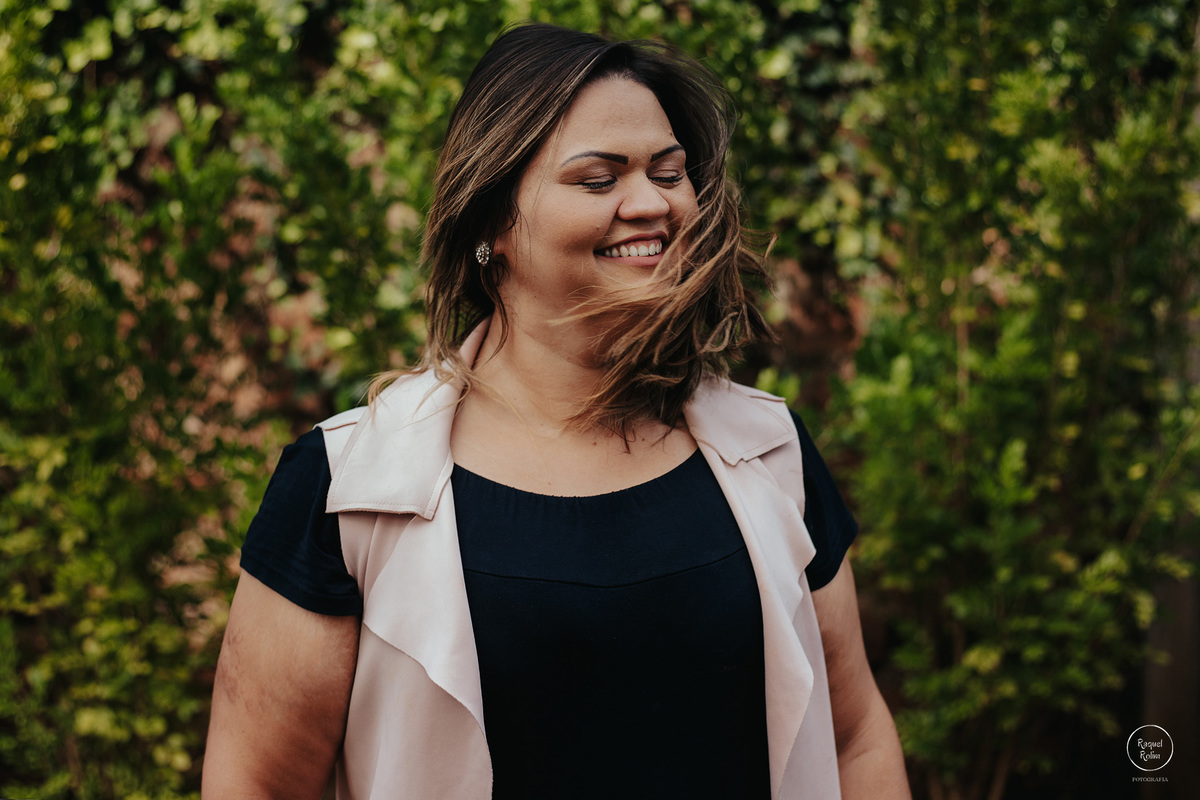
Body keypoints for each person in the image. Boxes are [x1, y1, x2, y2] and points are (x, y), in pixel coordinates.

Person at [202, 23, 909, 800]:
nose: (652, 203)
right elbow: (256, 785)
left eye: (668, 172)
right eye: (599, 180)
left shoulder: (769, 450)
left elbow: (855, 738)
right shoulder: (350, 488)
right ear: (492, 223)